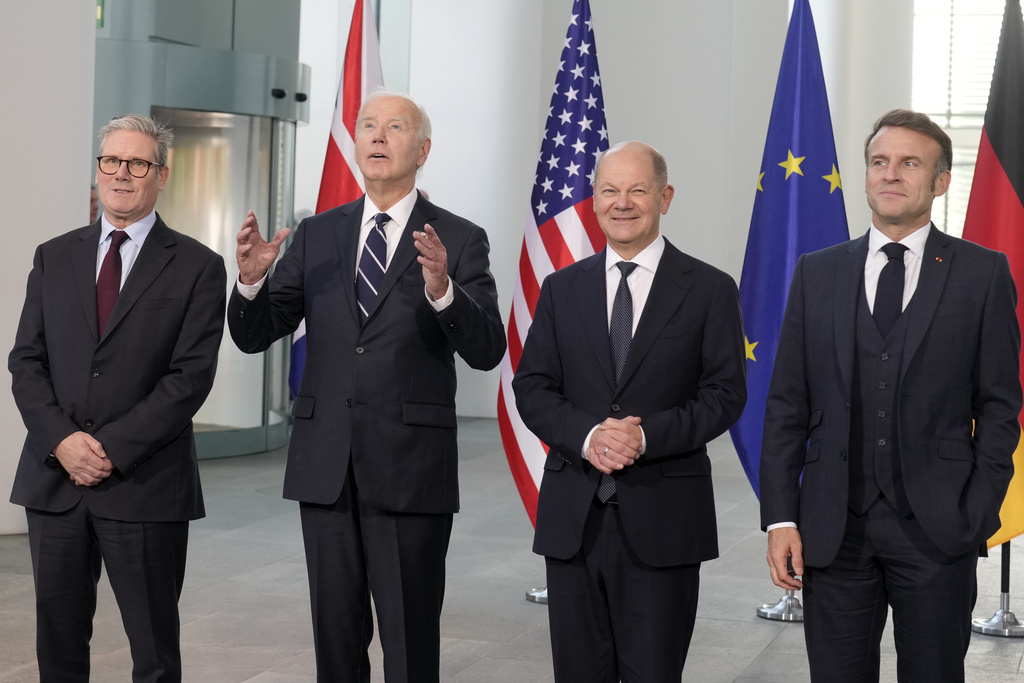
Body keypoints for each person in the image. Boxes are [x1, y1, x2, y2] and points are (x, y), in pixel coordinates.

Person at [227, 90, 506, 682]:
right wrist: (251, 285)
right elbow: (257, 335)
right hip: (326, 467)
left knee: (409, 646)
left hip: (411, 471)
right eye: (368, 125)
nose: (377, 136)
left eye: (395, 126)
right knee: (335, 643)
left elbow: (487, 350)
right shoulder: (317, 234)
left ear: (423, 148)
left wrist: (442, 292)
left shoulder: (458, 238)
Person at [760, 109, 1022, 682]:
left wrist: (975, 513)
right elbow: (786, 406)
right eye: (879, 162)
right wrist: (781, 518)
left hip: (937, 530)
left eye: (909, 163)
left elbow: (1001, 407)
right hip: (833, 529)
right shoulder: (817, 273)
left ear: (941, 181)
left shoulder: (982, 274)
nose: (891, 174)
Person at [512, 141, 748, 682]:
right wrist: (590, 433)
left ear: (664, 197)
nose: (623, 203)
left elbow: (724, 394)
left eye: (638, 190)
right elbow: (534, 387)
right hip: (575, 519)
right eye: (610, 191)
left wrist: (644, 439)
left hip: (664, 517)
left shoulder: (710, 289)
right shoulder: (560, 288)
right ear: (593, 201)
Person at [8, 114, 227, 682]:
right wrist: (63, 441)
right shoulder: (53, 256)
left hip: (145, 485)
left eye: (138, 163)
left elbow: (189, 379)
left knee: (153, 655)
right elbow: (26, 362)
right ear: (98, 168)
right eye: (111, 160)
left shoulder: (199, 266)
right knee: (58, 650)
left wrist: (105, 449)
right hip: (55, 483)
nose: (121, 174)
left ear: (162, 175)